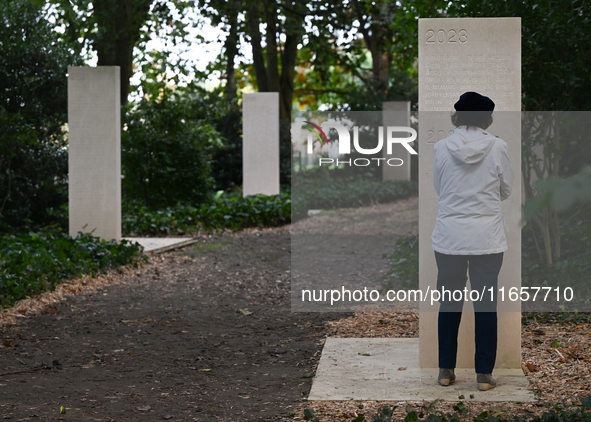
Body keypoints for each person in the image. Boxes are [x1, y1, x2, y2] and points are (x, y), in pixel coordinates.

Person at [431, 92, 514, 391]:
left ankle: (445, 370)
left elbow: (440, 188)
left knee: (449, 303)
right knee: (486, 303)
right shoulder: (498, 146)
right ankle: (483, 375)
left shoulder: (441, 148)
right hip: (487, 238)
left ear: (458, 117)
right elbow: (506, 190)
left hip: (449, 237)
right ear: (486, 118)